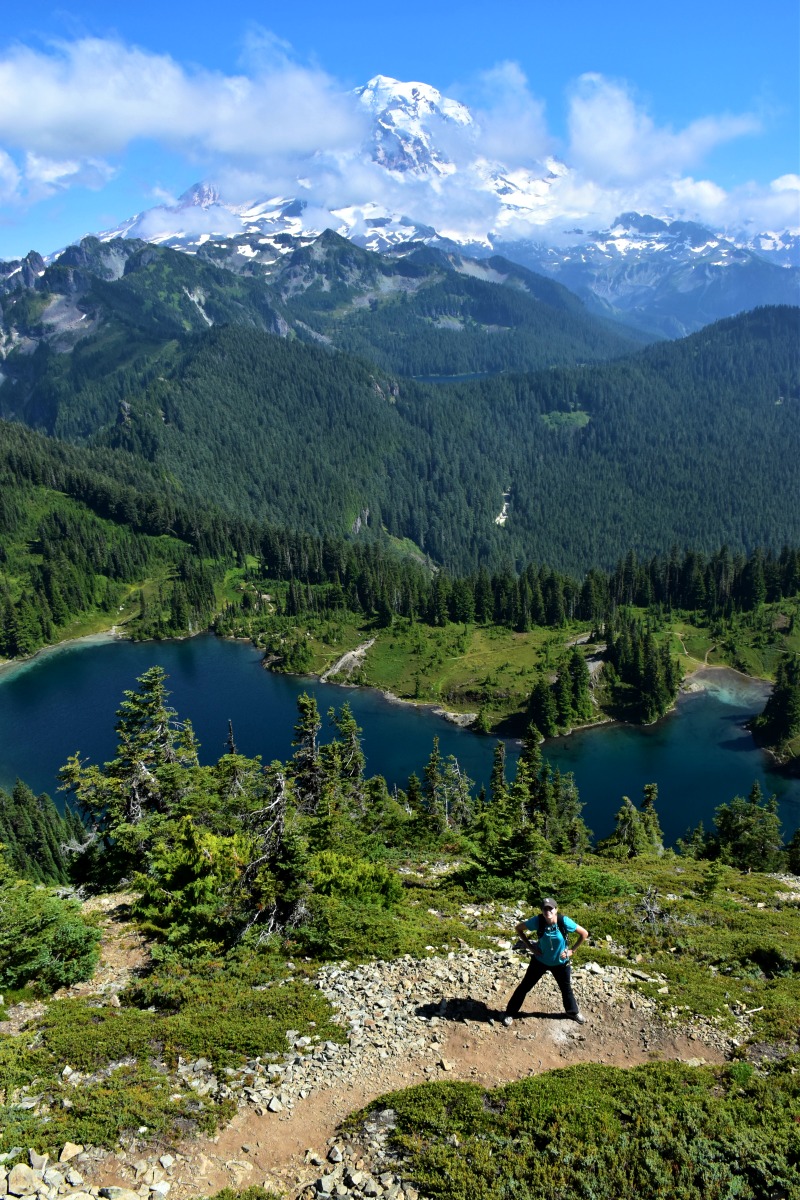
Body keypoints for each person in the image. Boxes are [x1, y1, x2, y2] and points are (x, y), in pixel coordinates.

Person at [503, 897, 588, 1025]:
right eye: (545, 908)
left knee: (566, 989)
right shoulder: (538, 921)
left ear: (556, 909)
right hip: (540, 961)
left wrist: (572, 951)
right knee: (525, 986)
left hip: (561, 963)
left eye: (550, 908)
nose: (548, 911)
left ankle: (572, 1012)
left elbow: (584, 933)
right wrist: (530, 947)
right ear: (542, 910)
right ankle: (510, 1013)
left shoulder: (563, 921)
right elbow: (518, 928)